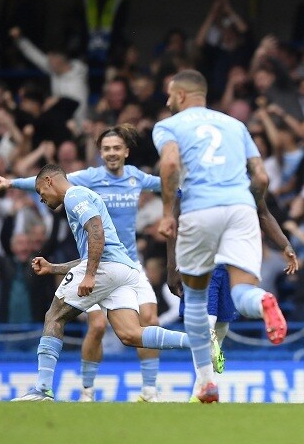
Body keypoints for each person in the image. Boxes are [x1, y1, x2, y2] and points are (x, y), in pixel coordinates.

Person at [0, 124, 167, 402]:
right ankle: (87, 391)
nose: (111, 153)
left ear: (126, 151)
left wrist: (194, 185)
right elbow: (46, 179)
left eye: (116, 148)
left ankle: (148, 391)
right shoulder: (88, 178)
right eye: (106, 148)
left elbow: (166, 184)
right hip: (105, 264)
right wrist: (12, 183)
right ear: (100, 153)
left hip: (118, 263)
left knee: (145, 320)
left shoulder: (133, 178)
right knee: (105, 328)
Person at [154, 69, 294, 403]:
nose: (168, 100)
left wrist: (167, 212)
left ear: (181, 95)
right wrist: (247, 199)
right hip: (241, 207)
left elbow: (170, 165)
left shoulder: (169, 126)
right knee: (243, 290)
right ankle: (263, 302)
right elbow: (261, 176)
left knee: (196, 302)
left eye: (170, 94)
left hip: (200, 209)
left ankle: (206, 384)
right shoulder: (236, 125)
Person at [12, 165, 190, 401]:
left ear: (49, 181)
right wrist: (53, 268)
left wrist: (90, 275)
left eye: (39, 191)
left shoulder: (74, 196)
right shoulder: (84, 196)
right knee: (131, 334)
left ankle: (42, 389)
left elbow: (97, 232)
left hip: (105, 268)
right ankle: (198, 342)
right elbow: (92, 251)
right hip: (123, 269)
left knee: (54, 316)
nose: (41, 199)